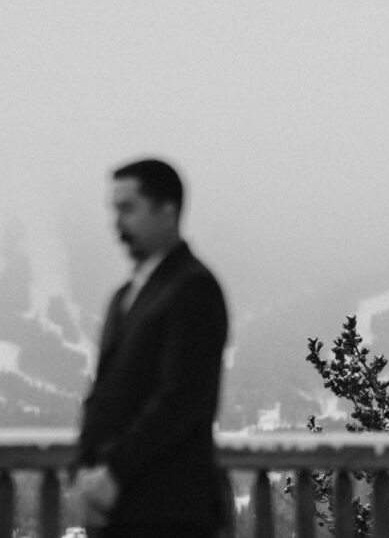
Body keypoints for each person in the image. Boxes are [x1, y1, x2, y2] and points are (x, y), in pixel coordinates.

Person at [76, 158, 229, 538]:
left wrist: (113, 471)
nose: (116, 224)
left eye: (128, 209)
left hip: (170, 510)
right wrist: (84, 471)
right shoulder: (125, 295)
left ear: (168, 211)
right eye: (114, 210)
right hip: (117, 509)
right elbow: (105, 394)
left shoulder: (194, 288)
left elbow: (183, 396)